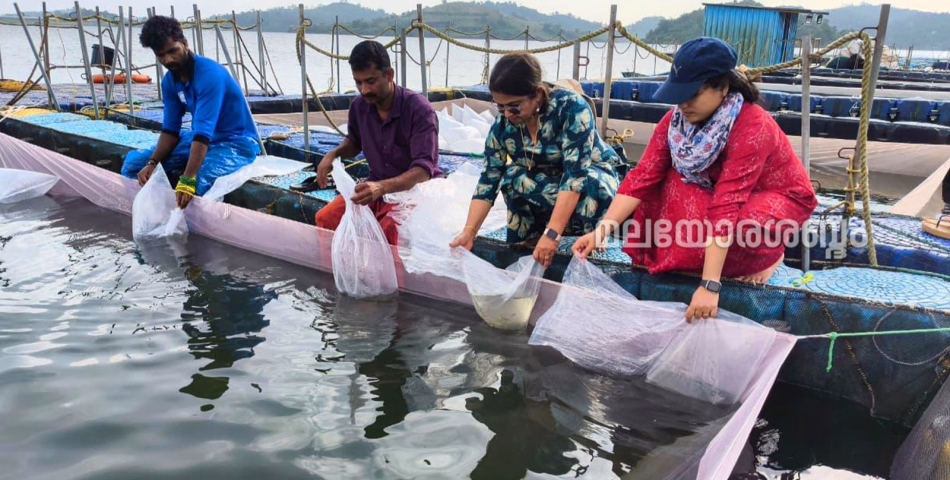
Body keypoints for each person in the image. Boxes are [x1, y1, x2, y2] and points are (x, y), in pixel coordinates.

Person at [573, 37, 818, 322]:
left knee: (737, 223)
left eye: (693, 94)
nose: (683, 104)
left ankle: (768, 257)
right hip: (715, 189)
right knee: (661, 191)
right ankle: (693, 260)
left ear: (722, 87)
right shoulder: (674, 121)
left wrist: (709, 285)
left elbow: (729, 201)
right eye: (679, 95)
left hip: (777, 196)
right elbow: (642, 176)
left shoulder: (753, 126)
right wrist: (600, 232)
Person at [450, 53, 620, 268]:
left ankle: (590, 235)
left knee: (592, 184)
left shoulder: (571, 109)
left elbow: (574, 177)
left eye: (514, 106)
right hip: (548, 182)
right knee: (512, 177)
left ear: (537, 94)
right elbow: (489, 179)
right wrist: (469, 231)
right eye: (500, 107)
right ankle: (529, 237)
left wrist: (552, 234)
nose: (507, 114)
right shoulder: (504, 124)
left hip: (588, 174)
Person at [306, 40, 440, 245]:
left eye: (371, 81)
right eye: (358, 83)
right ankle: (333, 276)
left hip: (413, 192)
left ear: (389, 75)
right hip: (374, 187)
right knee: (326, 219)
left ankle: (391, 278)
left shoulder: (419, 110)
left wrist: (381, 187)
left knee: (391, 229)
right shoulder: (359, 106)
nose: (364, 89)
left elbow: (423, 170)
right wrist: (333, 155)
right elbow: (354, 142)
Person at [121, 16, 260, 209]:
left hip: (234, 142)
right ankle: (156, 210)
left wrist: (189, 176)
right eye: (161, 55)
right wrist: (153, 163)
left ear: (184, 43)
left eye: (173, 51)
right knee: (134, 165)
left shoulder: (210, 75)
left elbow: (203, 132)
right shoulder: (169, 82)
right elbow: (170, 130)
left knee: (197, 184)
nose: (168, 60)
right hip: (197, 138)